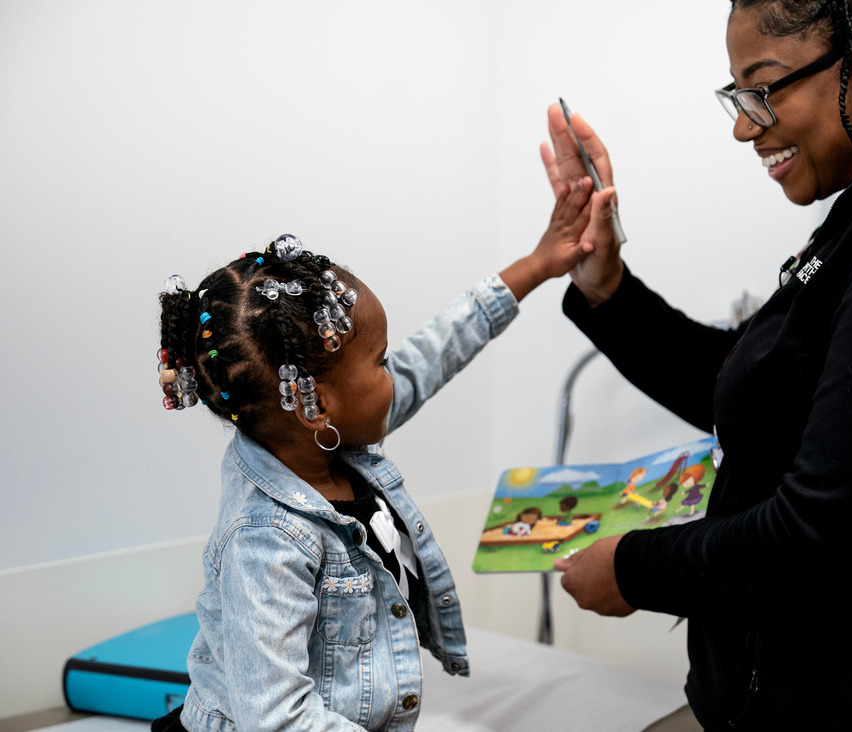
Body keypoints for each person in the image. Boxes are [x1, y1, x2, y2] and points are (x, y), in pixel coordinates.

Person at [547, 1, 852, 729]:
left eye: (763, 89)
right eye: (737, 96)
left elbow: (817, 537)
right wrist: (605, 285)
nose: (745, 125)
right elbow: (752, 388)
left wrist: (632, 567)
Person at [151, 176, 601, 731]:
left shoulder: (324, 441)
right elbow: (277, 719)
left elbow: (431, 356)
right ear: (316, 406)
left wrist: (536, 265)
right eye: (381, 361)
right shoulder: (265, 541)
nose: (396, 373)